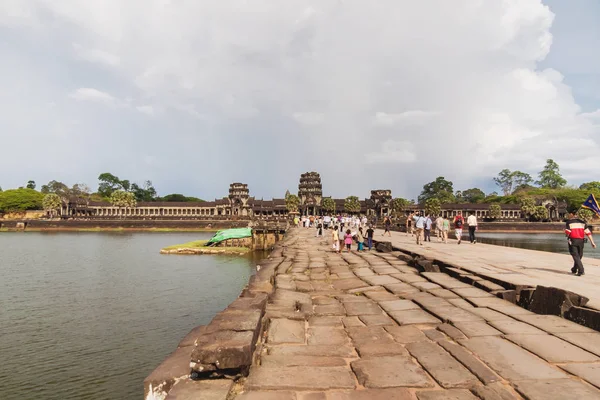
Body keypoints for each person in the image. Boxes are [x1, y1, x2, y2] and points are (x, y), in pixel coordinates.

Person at [565, 212, 596, 276]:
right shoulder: (583, 223)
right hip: (581, 241)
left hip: (573, 240)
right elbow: (588, 233)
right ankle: (574, 269)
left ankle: (581, 270)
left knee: (575, 256)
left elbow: (568, 232)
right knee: (579, 256)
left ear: (572, 214)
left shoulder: (569, 222)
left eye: (569, 214)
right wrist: (592, 242)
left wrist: (566, 233)